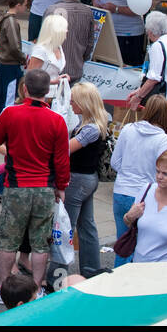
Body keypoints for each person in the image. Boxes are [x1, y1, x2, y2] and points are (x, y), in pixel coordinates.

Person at [0, 69, 70, 297]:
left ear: (25, 89)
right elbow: (62, 161)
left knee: (8, 240)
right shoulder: (57, 120)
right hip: (44, 188)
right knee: (41, 242)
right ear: (47, 91)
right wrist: (61, 186)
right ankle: (36, 289)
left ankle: (4, 289)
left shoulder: (11, 114)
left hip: (15, 187)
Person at [110, 95, 167, 267]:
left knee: (123, 243)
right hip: (145, 196)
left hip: (121, 191)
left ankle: (117, 284)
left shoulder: (128, 129)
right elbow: (162, 172)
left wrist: (128, 172)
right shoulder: (162, 139)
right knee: (143, 247)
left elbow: (115, 162)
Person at [60, 81, 108, 278]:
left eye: (74, 101)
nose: (71, 104)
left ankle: (59, 272)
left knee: (66, 226)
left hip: (78, 180)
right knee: (87, 225)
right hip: (88, 179)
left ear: (83, 102)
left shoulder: (89, 129)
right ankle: (91, 269)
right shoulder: (95, 123)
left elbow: (65, 149)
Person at [124, 12, 167, 146]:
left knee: (165, 142)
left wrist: (138, 97)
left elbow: (154, 78)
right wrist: (139, 92)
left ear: (150, 31)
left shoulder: (158, 46)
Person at [45, 0, 94, 82]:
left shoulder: (51, 10)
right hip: (75, 69)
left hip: (54, 71)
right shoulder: (87, 12)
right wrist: (81, 59)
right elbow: (90, 44)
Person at [0, 0, 28, 115]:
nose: (26, 7)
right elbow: (14, 46)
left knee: (4, 94)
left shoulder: (5, 18)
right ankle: (4, 121)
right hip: (10, 63)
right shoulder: (11, 22)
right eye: (25, 4)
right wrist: (23, 58)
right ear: (18, 5)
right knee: (9, 95)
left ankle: (1, 119)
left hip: (4, 62)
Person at [26, 13, 68, 93]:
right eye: (64, 28)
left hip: (53, 95)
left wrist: (61, 79)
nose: (67, 30)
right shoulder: (40, 50)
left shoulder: (59, 46)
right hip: (38, 96)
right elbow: (30, 78)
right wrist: (53, 82)